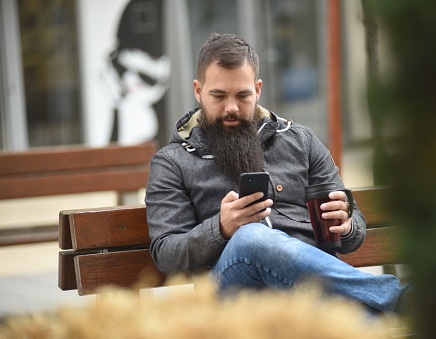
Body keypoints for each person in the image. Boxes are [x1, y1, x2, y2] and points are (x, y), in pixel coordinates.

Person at [146, 33, 409, 315]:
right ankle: (403, 300)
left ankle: (371, 314)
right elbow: (167, 253)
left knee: (359, 321)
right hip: (232, 296)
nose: (231, 107)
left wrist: (346, 224)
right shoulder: (171, 162)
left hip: (310, 297)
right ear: (198, 91)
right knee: (251, 238)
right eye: (219, 96)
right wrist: (221, 228)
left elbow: (352, 227)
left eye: (243, 95)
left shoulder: (301, 141)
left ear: (258, 90)